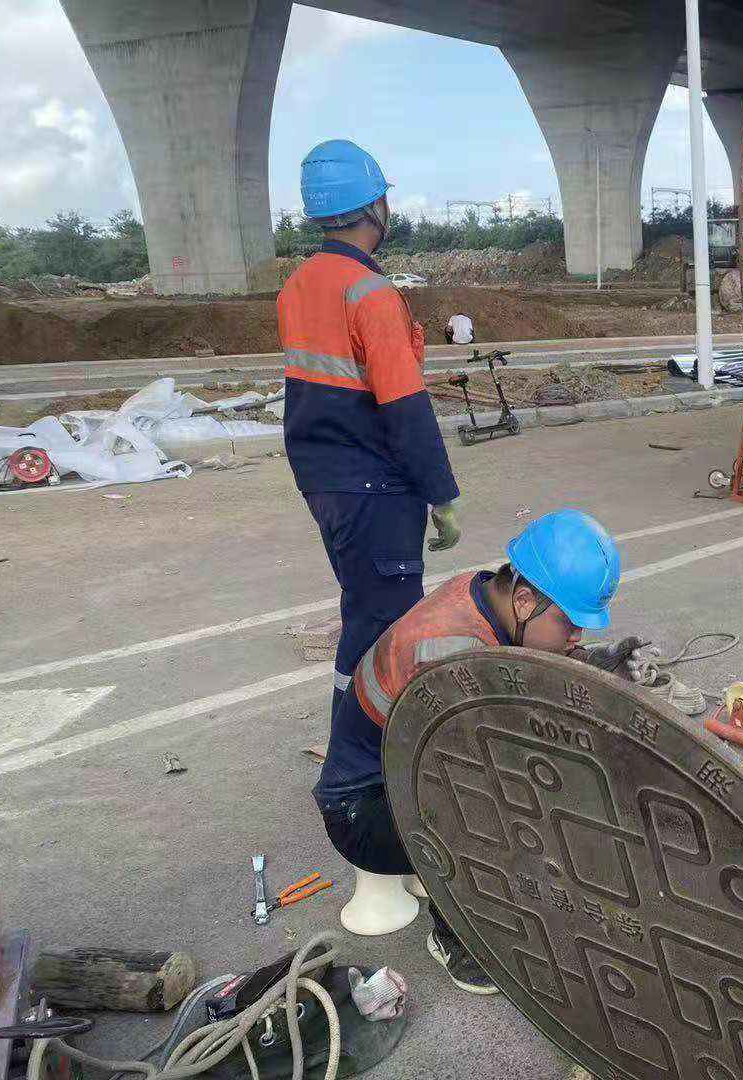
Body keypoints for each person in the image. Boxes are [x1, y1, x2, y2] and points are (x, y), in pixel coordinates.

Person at [315, 509, 644, 994]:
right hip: (359, 812)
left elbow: (517, 666)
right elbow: (483, 772)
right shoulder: (454, 656)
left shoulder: (484, 593)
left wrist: (590, 665)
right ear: (525, 600)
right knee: (511, 812)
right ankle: (458, 938)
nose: (578, 636)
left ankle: (433, 872)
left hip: (394, 773)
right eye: (570, 624)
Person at [278, 139, 463, 734]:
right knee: (387, 629)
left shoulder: (300, 285)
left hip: (325, 481)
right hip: (374, 485)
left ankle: (353, 739)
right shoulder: (371, 293)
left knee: (364, 612)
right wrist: (441, 494)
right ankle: (361, 759)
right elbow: (405, 407)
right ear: (374, 206)